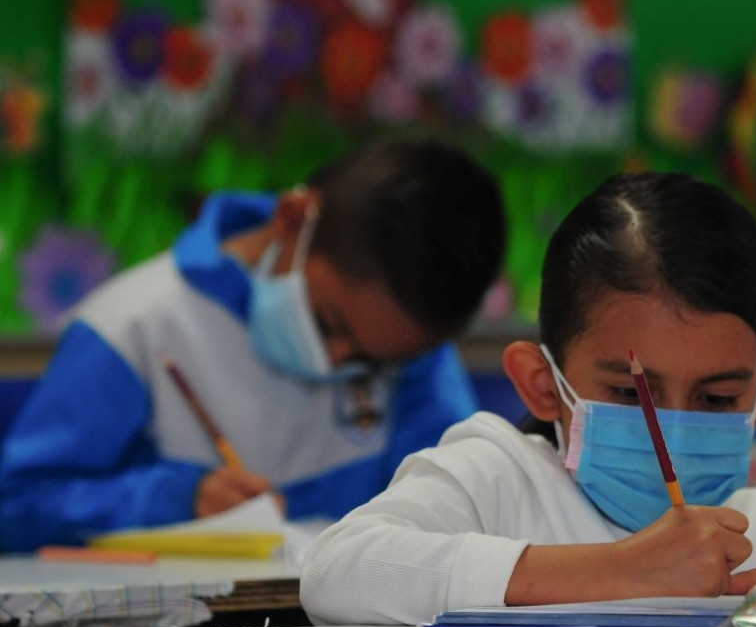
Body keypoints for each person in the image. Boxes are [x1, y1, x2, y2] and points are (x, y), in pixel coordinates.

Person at [299, 172, 756, 626]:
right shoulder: (495, 475)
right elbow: (338, 571)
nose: (672, 428)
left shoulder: (751, 532)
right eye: (628, 390)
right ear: (541, 384)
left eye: (716, 396)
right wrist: (623, 571)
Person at [0, 138, 506, 552]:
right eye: (328, 324)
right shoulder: (129, 328)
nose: (334, 363)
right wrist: (176, 496)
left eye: (370, 362)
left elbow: (459, 507)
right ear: (291, 219)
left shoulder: (411, 346)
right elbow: (16, 506)